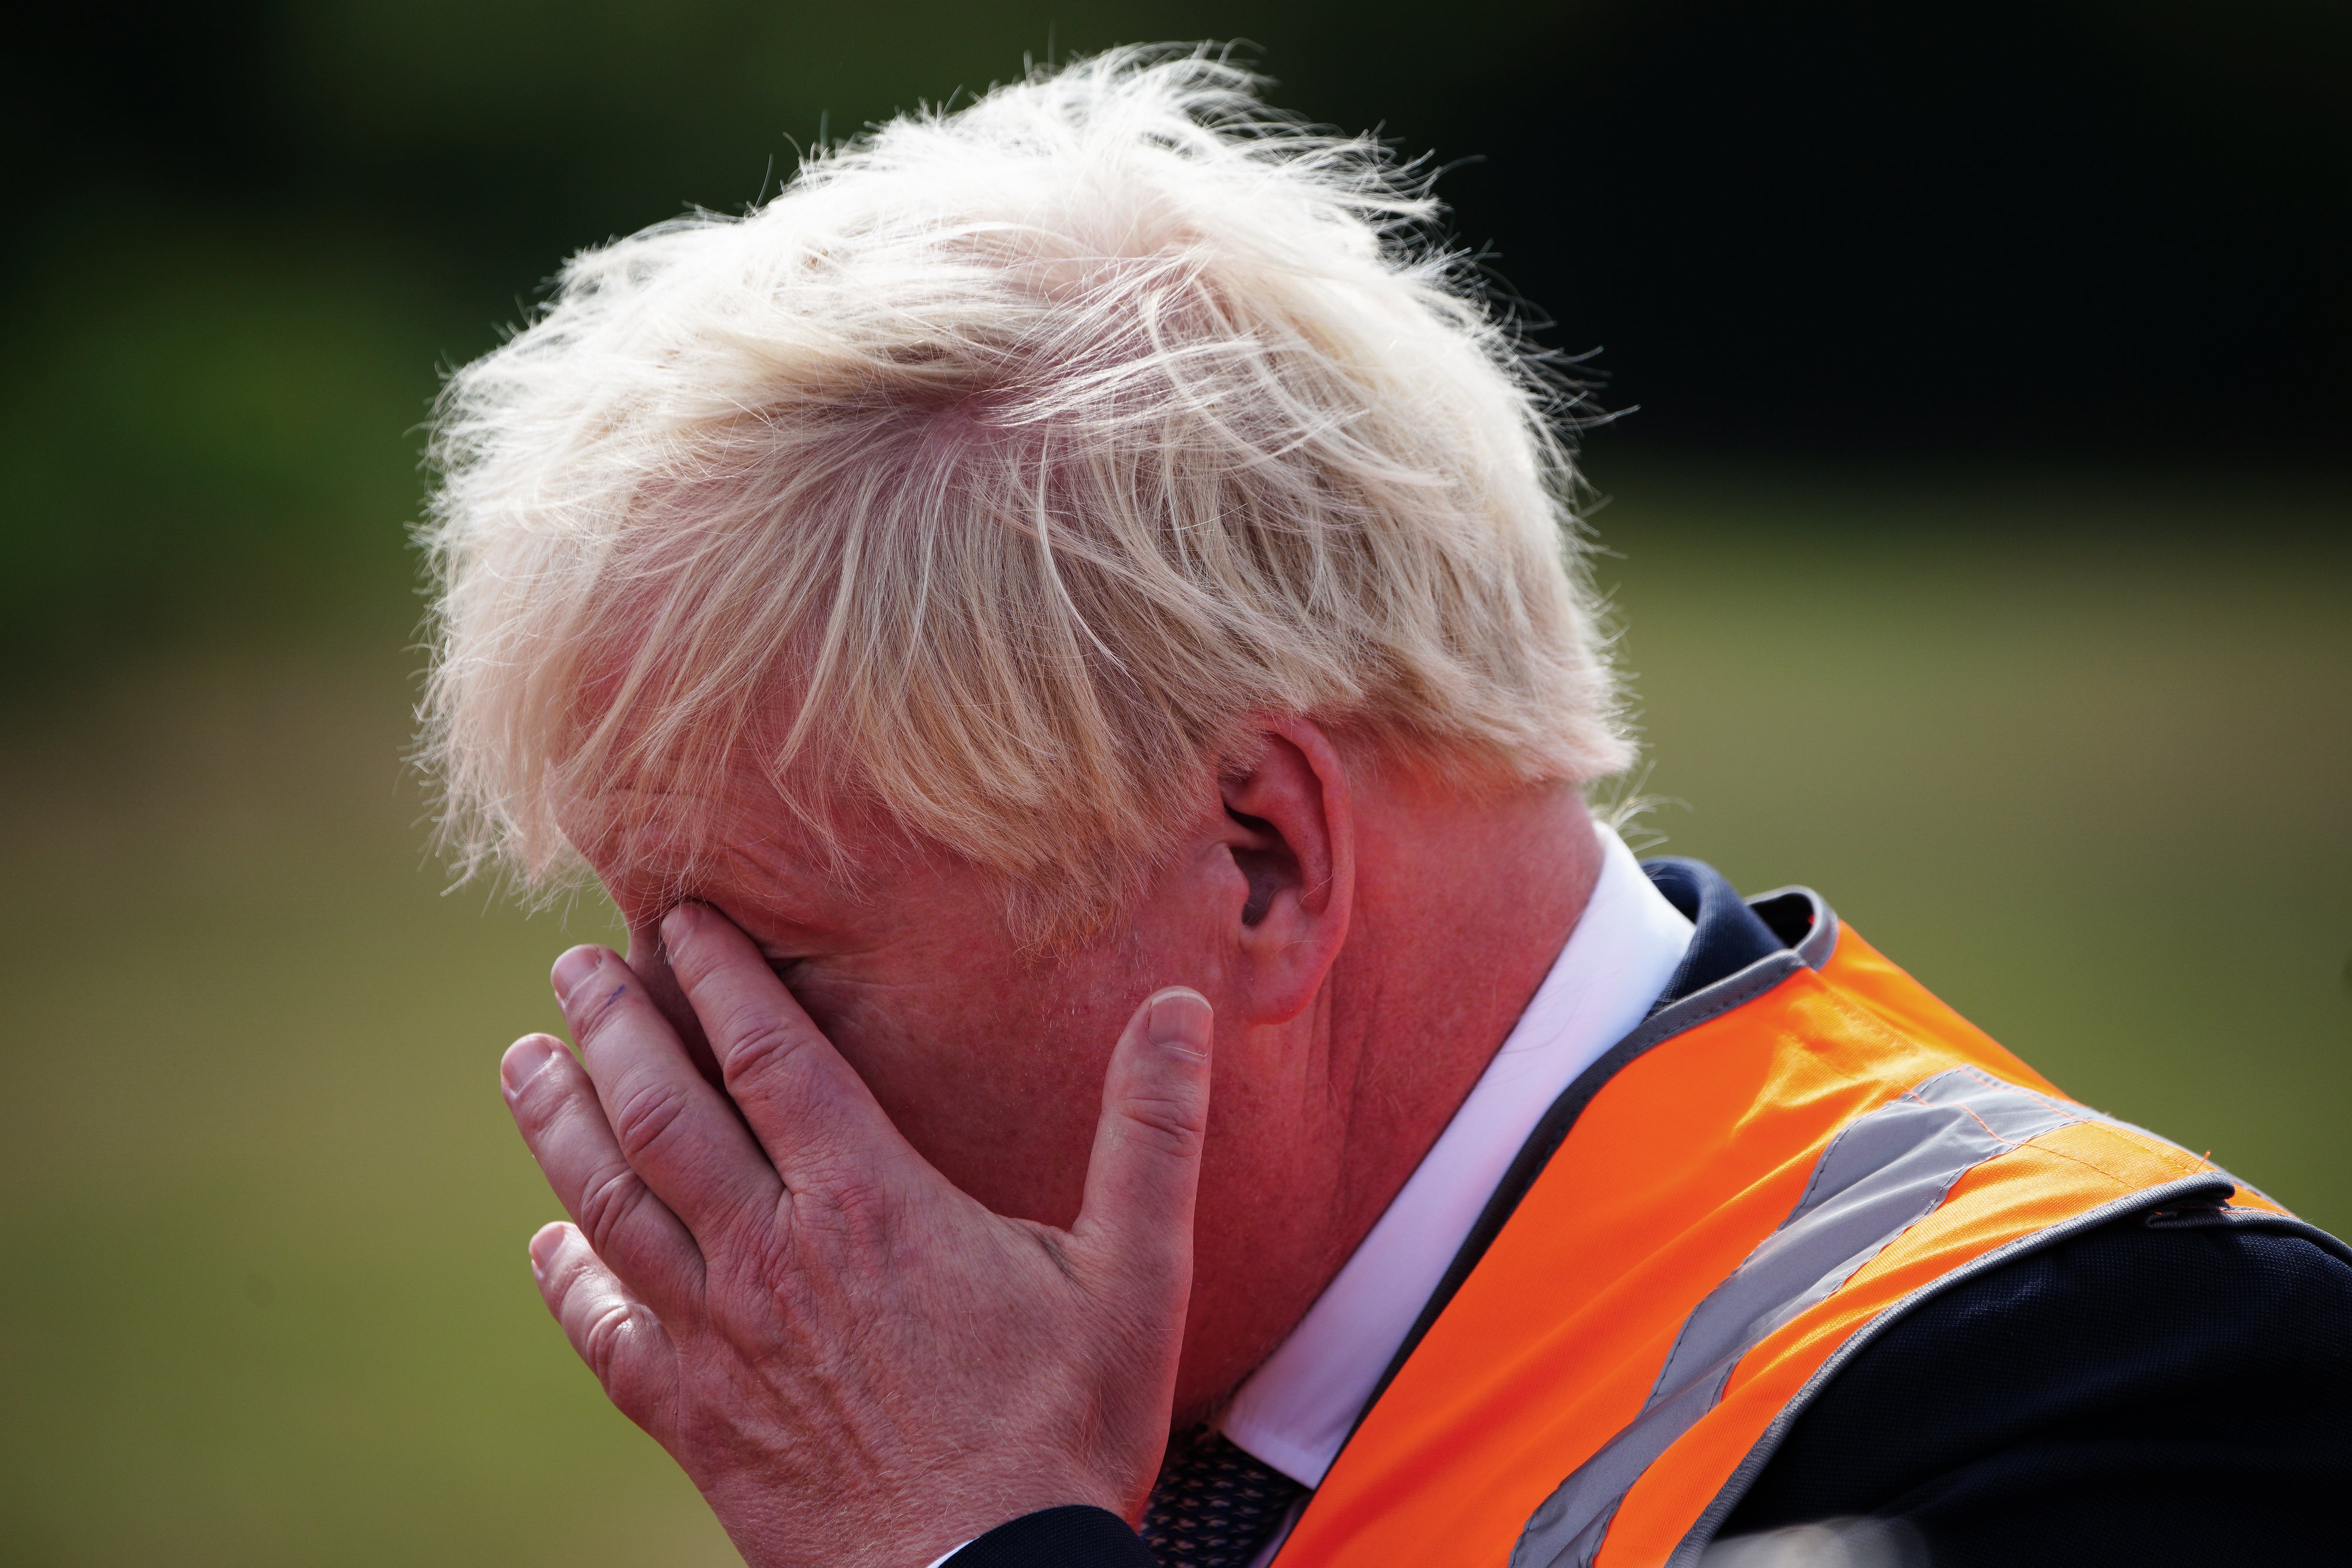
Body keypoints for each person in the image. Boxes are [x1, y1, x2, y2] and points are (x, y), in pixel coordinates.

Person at [419, 47, 2350, 1568]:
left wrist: (969, 1550)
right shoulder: (1101, 1420)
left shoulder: (2129, 1401)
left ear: (1261, 859)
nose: (668, 1089)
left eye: (772, 969)